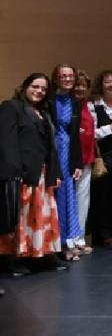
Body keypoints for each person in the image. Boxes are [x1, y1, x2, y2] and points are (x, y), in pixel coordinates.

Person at [0, 73, 67, 274]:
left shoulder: (43, 113)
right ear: (25, 86)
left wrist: (55, 172)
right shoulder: (11, 108)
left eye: (43, 89)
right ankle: (9, 259)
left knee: (39, 218)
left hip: (41, 173)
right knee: (18, 218)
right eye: (34, 86)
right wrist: (14, 173)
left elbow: (50, 147)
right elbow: (7, 141)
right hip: (21, 173)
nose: (38, 91)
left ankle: (40, 256)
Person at [48, 65, 83, 258]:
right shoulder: (48, 100)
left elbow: (75, 134)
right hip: (52, 149)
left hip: (67, 151)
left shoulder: (75, 101)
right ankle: (54, 243)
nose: (67, 79)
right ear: (56, 78)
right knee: (55, 196)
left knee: (68, 196)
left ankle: (66, 241)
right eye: (63, 76)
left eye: (70, 76)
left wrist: (77, 162)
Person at [88, 69, 112, 246]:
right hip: (103, 156)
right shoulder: (93, 106)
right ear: (100, 85)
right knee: (102, 196)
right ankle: (104, 233)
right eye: (108, 81)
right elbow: (91, 133)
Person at [72, 69, 97, 255]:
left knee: (83, 200)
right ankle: (69, 241)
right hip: (70, 160)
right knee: (69, 200)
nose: (80, 88)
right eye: (77, 85)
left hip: (86, 159)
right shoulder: (66, 105)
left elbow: (93, 133)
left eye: (83, 86)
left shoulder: (88, 106)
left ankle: (79, 239)